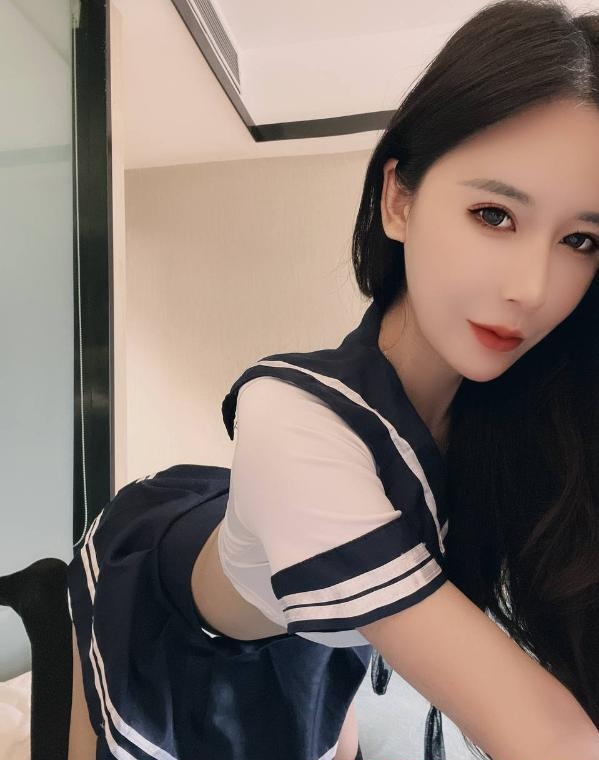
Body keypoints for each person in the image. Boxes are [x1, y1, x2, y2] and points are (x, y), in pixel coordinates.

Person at [67, 1, 599, 759]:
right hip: (162, 613)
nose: (531, 288)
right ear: (398, 199)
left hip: (305, 594)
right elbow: (550, 738)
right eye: (493, 215)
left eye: (579, 239)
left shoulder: (525, 420)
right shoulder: (291, 420)